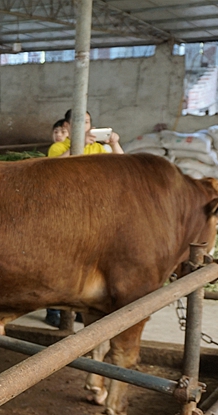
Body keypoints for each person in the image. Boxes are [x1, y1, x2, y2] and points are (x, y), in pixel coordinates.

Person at [44, 110, 124, 328]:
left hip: (90, 214)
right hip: (64, 213)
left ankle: (76, 307)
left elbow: (122, 165)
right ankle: (53, 310)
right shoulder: (59, 147)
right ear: (68, 127)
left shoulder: (98, 147)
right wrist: (74, 147)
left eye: (88, 122)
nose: (86, 126)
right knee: (59, 264)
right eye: (80, 123)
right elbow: (52, 171)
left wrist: (115, 144)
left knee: (84, 264)